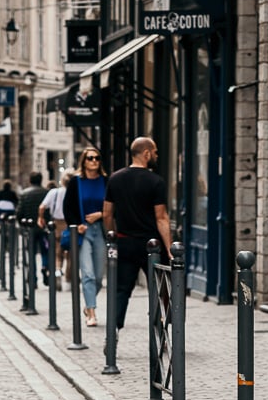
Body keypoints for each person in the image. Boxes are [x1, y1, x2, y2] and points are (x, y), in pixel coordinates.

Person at [103, 136, 172, 333]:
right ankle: (160, 331)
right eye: (155, 152)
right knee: (159, 289)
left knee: (122, 290)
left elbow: (107, 213)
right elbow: (161, 218)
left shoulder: (115, 178)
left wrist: (111, 237)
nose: (157, 155)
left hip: (124, 242)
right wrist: (169, 248)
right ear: (146, 153)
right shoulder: (156, 181)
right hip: (151, 246)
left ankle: (113, 331)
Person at [64, 147, 108, 326]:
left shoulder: (106, 181)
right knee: (88, 273)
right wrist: (77, 225)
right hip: (84, 231)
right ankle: (92, 312)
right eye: (90, 158)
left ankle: (89, 303)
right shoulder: (76, 182)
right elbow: (68, 207)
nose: (94, 161)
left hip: (101, 230)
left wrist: (101, 214)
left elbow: (113, 206)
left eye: (97, 158)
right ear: (83, 161)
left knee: (98, 276)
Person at [37, 172, 71, 291]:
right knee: (71, 252)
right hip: (70, 224)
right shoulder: (75, 193)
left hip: (56, 224)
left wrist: (40, 218)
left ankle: (57, 270)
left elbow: (42, 207)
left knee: (57, 250)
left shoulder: (54, 192)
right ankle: (68, 278)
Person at [16, 172, 50, 286]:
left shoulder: (24, 193)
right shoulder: (46, 192)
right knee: (45, 251)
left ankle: (32, 278)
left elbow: (19, 212)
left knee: (31, 253)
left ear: (30, 180)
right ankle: (45, 267)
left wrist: (22, 223)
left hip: (30, 229)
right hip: (43, 227)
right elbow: (49, 210)